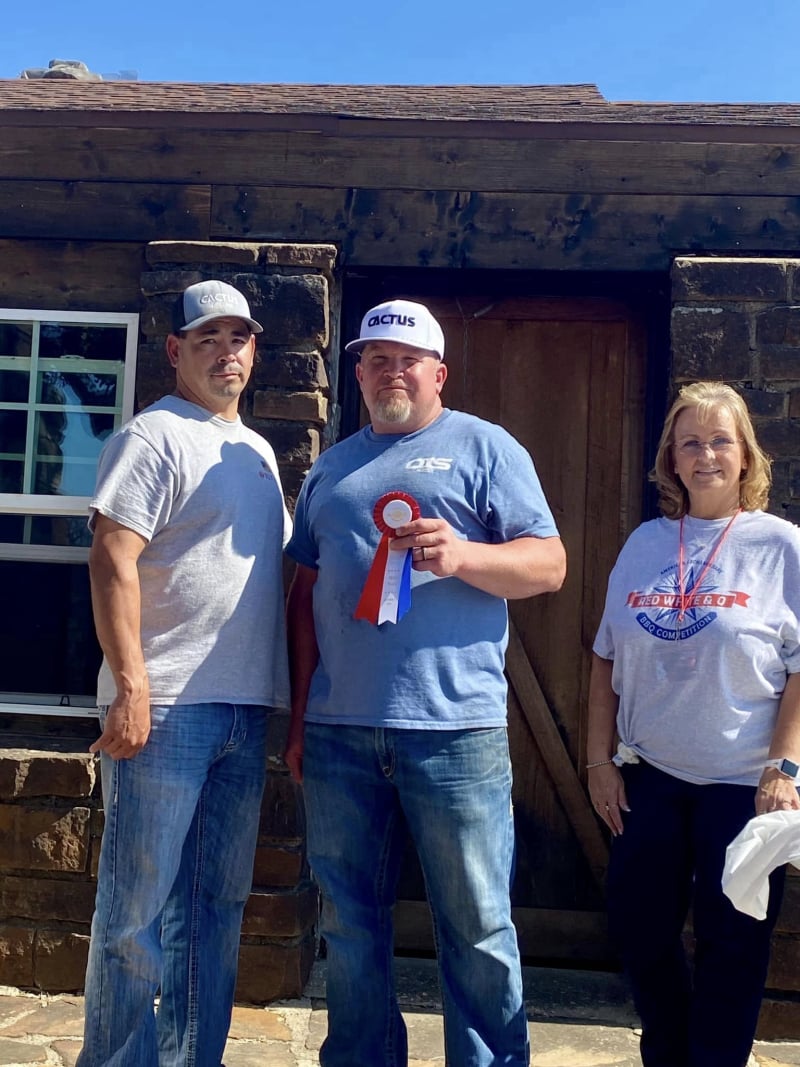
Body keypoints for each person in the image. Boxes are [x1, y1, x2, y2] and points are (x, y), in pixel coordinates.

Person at [285, 298, 566, 1067]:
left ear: (438, 373)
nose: (391, 372)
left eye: (407, 360)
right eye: (375, 359)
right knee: (348, 923)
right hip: (340, 735)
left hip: (455, 733)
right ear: (358, 374)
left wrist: (465, 555)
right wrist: (299, 717)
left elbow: (549, 564)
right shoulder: (329, 468)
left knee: (476, 924)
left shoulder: (486, 447)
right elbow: (304, 598)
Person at [77, 280, 291, 1067]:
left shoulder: (256, 452)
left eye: (239, 338)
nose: (226, 353)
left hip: (242, 709)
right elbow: (111, 556)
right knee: (133, 918)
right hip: (164, 711)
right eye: (208, 339)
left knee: (212, 912)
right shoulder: (153, 436)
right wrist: (132, 687)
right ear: (175, 351)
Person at [587, 381, 800, 1067]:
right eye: (690, 442)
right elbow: (605, 657)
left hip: (744, 785)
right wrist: (597, 761)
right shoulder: (645, 543)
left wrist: (784, 768)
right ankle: (671, 1053)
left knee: (734, 944)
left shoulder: (781, 546)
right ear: (671, 460)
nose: (706, 454)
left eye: (719, 441)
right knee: (638, 928)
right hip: (651, 776)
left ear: (745, 456)